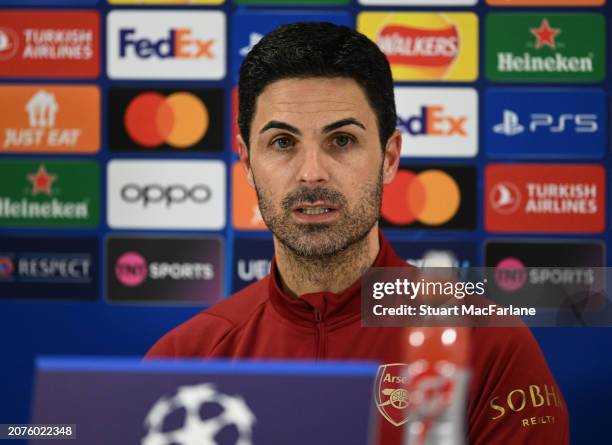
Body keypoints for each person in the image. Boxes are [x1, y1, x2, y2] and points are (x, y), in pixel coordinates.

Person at [146, 22, 569, 444]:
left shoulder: (491, 347)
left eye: (342, 140)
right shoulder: (184, 359)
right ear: (246, 162)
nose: (311, 173)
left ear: (388, 158)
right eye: (281, 143)